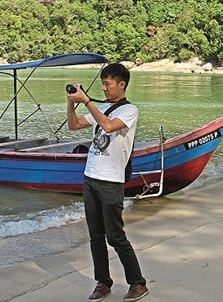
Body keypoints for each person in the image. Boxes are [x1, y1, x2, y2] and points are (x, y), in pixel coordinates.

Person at [66, 63, 149, 302]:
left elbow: (109, 125)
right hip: (91, 176)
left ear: (121, 84)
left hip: (111, 181)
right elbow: (73, 125)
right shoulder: (101, 107)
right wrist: (72, 101)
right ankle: (103, 282)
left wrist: (87, 102)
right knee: (95, 236)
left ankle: (138, 283)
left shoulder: (129, 110)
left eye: (107, 84)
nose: (103, 88)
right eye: (102, 83)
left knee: (115, 236)